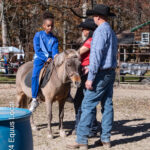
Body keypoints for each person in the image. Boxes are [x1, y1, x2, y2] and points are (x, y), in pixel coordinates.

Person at [67, 4, 117, 150]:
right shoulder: (111, 32)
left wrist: (90, 77)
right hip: (110, 71)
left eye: (94, 15)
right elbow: (110, 54)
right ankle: (105, 139)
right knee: (107, 105)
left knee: (87, 104)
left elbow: (96, 55)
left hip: (100, 73)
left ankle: (82, 139)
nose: (93, 18)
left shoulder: (100, 32)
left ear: (98, 17)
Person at [73, 18, 99, 137]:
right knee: (85, 100)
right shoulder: (92, 39)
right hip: (85, 72)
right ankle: (88, 127)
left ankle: (86, 127)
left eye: (83, 29)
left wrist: (68, 56)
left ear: (88, 30)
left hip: (87, 73)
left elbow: (78, 53)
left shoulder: (90, 41)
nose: (82, 31)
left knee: (82, 100)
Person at [29, 12, 59, 112]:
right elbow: (37, 49)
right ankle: (34, 98)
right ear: (43, 26)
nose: (50, 28)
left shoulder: (54, 39)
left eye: (52, 26)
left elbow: (55, 50)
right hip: (40, 58)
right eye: (48, 26)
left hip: (51, 59)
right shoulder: (38, 35)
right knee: (35, 75)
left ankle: (66, 94)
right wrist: (46, 58)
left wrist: (56, 56)